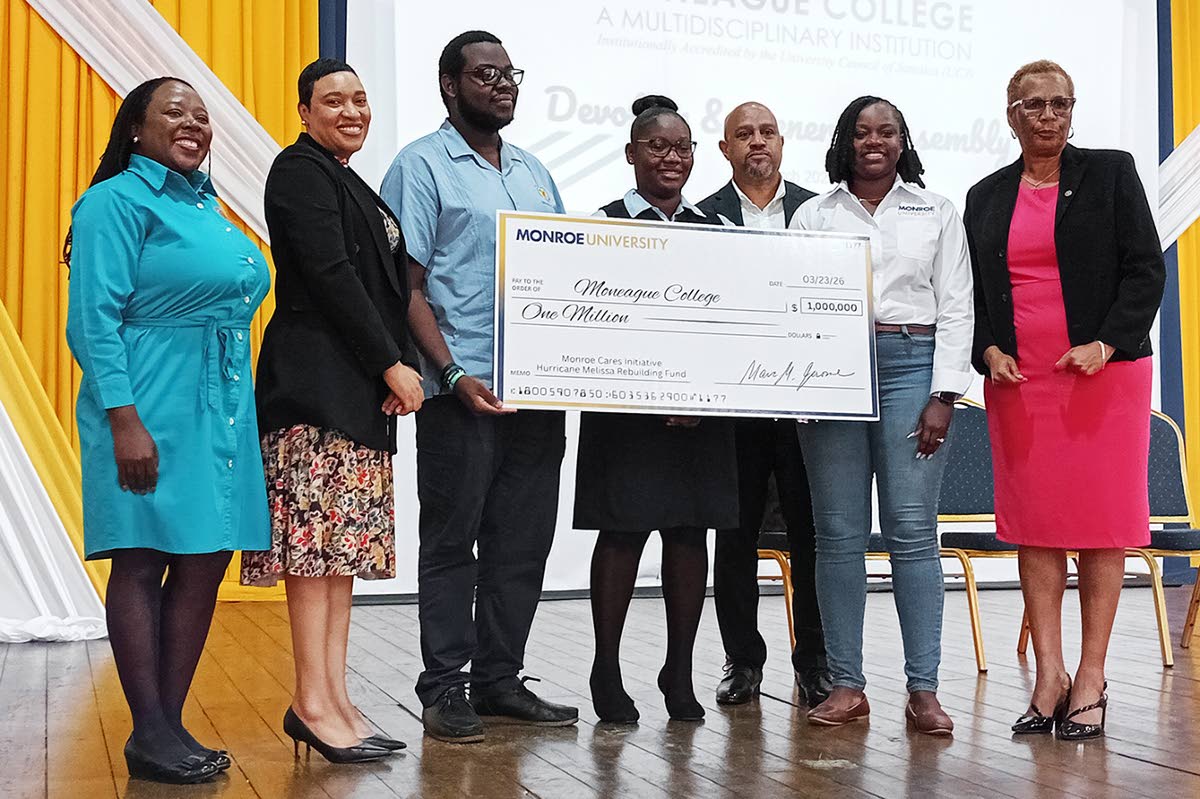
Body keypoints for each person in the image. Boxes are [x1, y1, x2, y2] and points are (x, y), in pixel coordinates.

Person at [65, 76, 271, 783]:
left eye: (202, 116)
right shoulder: (114, 202)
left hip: (217, 404)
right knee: (141, 553)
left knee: (205, 555)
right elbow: (92, 320)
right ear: (135, 130)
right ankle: (149, 728)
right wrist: (124, 418)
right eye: (174, 112)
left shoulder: (206, 205)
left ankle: (167, 722)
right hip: (148, 399)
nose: (193, 123)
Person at [380, 30, 578, 743]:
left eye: (509, 73)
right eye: (485, 74)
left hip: (536, 393)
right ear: (448, 86)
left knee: (521, 542)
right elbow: (406, 286)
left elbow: (564, 280)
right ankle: (443, 688)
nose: (502, 84)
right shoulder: (420, 166)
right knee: (452, 540)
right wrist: (452, 373)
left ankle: (499, 680)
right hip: (460, 391)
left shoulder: (533, 172)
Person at [964, 60, 1165, 741]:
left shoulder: (1110, 173)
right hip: (1022, 384)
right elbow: (975, 300)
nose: (1050, 115)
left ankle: (1092, 675)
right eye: (1035, 105)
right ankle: (1048, 676)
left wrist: (1106, 344)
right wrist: (988, 353)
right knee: (1037, 523)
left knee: (1103, 524)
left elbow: (1146, 269)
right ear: (1011, 112)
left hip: (1101, 378)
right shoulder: (985, 195)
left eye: (1061, 104)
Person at [240, 58, 424, 762]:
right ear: (304, 111)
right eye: (333, 99)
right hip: (314, 392)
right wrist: (390, 362)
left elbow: (383, 288)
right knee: (315, 559)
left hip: (353, 394)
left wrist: (389, 363)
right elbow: (329, 276)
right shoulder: (298, 170)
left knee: (337, 558)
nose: (351, 110)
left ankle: (335, 698)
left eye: (361, 98)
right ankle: (311, 701)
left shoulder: (346, 178)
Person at [789, 96, 974, 735]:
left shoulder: (937, 212)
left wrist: (944, 395)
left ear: (903, 141)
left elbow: (957, 307)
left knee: (912, 532)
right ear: (845, 140)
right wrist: (804, 388)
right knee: (837, 534)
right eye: (862, 132)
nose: (875, 141)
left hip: (912, 365)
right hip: (833, 372)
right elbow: (794, 305)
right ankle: (846, 685)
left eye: (887, 132)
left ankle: (924, 690)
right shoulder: (813, 215)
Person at [577, 95, 738, 724]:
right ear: (631, 155)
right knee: (622, 532)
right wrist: (650, 393)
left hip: (701, 416)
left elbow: (730, 326)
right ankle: (606, 667)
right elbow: (591, 321)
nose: (671, 158)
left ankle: (679, 668)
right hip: (626, 414)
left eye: (682, 148)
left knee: (688, 532)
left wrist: (700, 393)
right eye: (657, 147)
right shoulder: (601, 226)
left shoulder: (719, 232)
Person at [696, 101, 830, 708]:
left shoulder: (822, 211)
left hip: (808, 409)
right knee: (735, 537)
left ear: (783, 142)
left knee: (813, 537)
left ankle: (817, 663)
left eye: (767, 132)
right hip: (734, 411)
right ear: (724, 150)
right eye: (743, 134)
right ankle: (743, 662)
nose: (757, 142)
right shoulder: (701, 218)